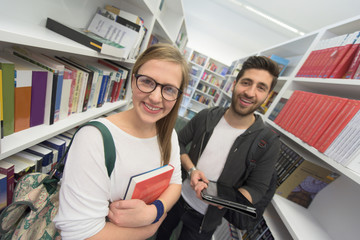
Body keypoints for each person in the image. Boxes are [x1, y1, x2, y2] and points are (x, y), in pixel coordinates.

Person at [53, 43, 190, 240]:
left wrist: (153, 212)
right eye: (147, 82)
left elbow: (175, 183)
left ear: (177, 97)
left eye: (168, 89)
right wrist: (149, 229)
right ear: (133, 79)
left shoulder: (168, 135)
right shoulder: (94, 139)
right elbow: (80, 235)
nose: (155, 97)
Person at [156, 56, 281, 240]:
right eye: (246, 83)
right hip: (175, 196)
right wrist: (191, 170)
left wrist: (228, 200)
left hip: (205, 220)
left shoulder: (268, 142)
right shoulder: (207, 116)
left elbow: (257, 188)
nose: (250, 92)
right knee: (161, 234)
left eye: (261, 87)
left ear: (268, 96)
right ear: (235, 84)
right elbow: (178, 142)